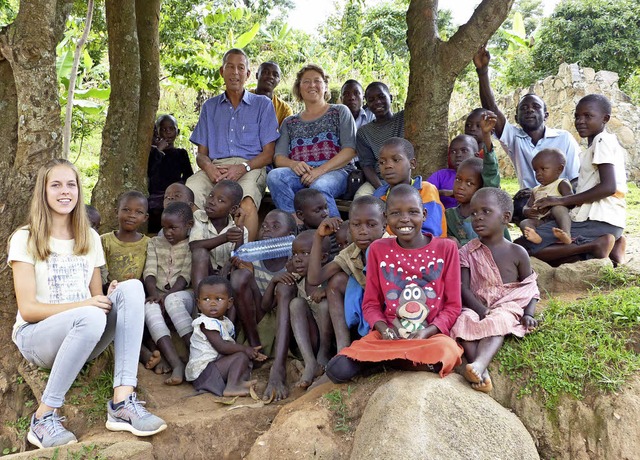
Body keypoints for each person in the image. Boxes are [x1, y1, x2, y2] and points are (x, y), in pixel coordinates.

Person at [8, 159, 166, 449]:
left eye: (71, 185)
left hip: (84, 335)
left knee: (131, 288)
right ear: (43, 192)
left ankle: (122, 402)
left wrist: (109, 294)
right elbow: (28, 309)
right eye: (56, 185)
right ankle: (44, 417)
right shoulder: (25, 238)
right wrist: (86, 305)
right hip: (37, 337)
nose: (64, 191)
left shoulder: (89, 237)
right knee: (90, 315)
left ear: (79, 191)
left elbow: (97, 299)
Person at [325, 185, 463, 383]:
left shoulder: (446, 248)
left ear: (424, 214)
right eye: (396, 213)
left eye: (413, 212)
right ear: (386, 218)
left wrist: (427, 332)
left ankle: (385, 362)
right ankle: (404, 360)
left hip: (430, 337)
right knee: (337, 369)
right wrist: (384, 330)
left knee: (446, 351)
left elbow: (452, 306)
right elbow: (371, 304)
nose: (405, 219)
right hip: (389, 337)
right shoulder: (377, 249)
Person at [516, 94, 627, 265]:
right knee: (548, 245)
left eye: (587, 116)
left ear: (605, 119)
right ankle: (608, 245)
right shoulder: (595, 145)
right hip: (602, 220)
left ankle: (595, 245)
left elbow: (609, 187)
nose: (580, 121)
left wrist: (559, 200)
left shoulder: (602, 140)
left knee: (523, 247)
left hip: (599, 220)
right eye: (577, 116)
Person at [450, 188, 539, 393]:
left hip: (506, 303)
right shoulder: (466, 252)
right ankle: (481, 371)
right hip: (476, 301)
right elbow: (462, 286)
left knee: (500, 320)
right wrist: (480, 310)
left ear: (506, 217)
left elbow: (530, 286)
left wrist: (529, 313)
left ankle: (480, 364)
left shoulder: (517, 252)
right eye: (473, 213)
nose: (478, 217)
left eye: (486, 211)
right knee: (463, 322)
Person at [188, 48, 280, 242]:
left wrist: (243, 167)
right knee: (191, 191)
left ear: (247, 74)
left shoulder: (262, 104)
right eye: (230, 67)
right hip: (216, 166)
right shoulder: (210, 107)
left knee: (246, 201)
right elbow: (201, 154)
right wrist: (209, 167)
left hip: (250, 166)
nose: (235, 72)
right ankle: (206, 251)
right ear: (222, 72)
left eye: (240, 68)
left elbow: (268, 154)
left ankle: (243, 260)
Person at [473, 45, 580, 190]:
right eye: (523, 108)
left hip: (562, 199)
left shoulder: (564, 138)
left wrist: (560, 200)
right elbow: (492, 111)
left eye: (536, 107)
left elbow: (576, 179)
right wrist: (482, 71)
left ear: (546, 115)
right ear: (517, 118)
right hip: (529, 202)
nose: (529, 110)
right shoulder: (514, 139)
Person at [266, 64, 357, 219]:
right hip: (301, 175)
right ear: (299, 88)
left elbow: (350, 150)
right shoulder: (290, 122)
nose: (312, 85)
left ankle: (334, 235)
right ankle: (295, 225)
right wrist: (293, 164)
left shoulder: (339, 111)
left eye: (317, 81)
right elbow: (278, 157)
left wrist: (319, 171)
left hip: (335, 172)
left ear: (325, 86)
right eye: (306, 81)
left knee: (319, 187)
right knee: (274, 177)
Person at [228, 209, 298, 401]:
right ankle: (254, 346)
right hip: (259, 314)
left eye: (276, 227)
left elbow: (275, 303)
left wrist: (276, 280)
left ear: (291, 235)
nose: (267, 230)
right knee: (240, 276)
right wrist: (240, 265)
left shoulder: (294, 260)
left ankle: (279, 368)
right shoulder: (253, 255)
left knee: (284, 287)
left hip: (285, 319)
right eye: (265, 226)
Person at [307, 196, 387, 352]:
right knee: (336, 281)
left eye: (371, 225)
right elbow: (314, 278)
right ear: (349, 226)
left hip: (390, 311)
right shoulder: (351, 252)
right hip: (368, 309)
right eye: (356, 225)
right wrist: (319, 237)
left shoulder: (391, 245)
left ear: (384, 224)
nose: (363, 231)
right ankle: (342, 348)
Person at [186, 276, 267, 397]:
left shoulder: (225, 322)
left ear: (229, 303)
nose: (212, 303)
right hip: (204, 374)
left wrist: (250, 353)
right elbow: (222, 347)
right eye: (206, 299)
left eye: (218, 299)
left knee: (242, 356)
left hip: (212, 371)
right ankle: (232, 387)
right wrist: (245, 349)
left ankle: (237, 382)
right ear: (198, 303)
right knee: (240, 356)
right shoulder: (205, 323)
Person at [143, 202, 195, 385]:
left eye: (173, 228)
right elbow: (149, 272)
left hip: (183, 293)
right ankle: (175, 363)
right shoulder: (154, 243)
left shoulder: (191, 245)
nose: (168, 232)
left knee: (172, 301)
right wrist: (153, 294)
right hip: (157, 292)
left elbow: (185, 276)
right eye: (164, 227)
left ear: (189, 225)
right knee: (150, 308)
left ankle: (195, 354)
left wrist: (168, 295)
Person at [373, 137, 446, 237]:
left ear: (412, 163)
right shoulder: (379, 195)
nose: (388, 166)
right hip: (388, 248)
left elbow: (431, 233)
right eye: (382, 162)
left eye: (396, 160)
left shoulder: (425, 190)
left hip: (427, 248)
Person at [289, 230, 332, 388]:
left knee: (324, 305)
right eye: (294, 254)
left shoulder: (329, 279)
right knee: (296, 304)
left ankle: (323, 355)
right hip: (311, 337)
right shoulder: (298, 279)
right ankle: (309, 362)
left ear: (322, 258)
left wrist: (326, 291)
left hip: (329, 340)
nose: (297, 259)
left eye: (305, 253)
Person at [190, 180, 248, 294]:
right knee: (200, 253)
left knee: (240, 271)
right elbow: (194, 246)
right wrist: (224, 238)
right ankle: (200, 304)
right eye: (211, 196)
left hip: (226, 278)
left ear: (232, 209)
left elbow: (239, 258)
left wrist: (239, 227)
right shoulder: (198, 216)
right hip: (204, 274)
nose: (212, 202)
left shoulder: (241, 229)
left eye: (220, 200)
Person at [356, 82, 405, 195]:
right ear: (367, 104)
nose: (377, 102)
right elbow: (367, 165)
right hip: (380, 180)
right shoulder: (364, 132)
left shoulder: (404, 118)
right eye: (371, 100)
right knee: (361, 197)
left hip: (406, 176)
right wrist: (382, 190)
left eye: (381, 97)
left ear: (391, 98)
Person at [147, 114, 194, 233]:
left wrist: (179, 186)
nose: (167, 132)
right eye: (163, 129)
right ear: (156, 132)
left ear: (177, 131)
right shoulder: (152, 153)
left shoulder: (181, 153)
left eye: (171, 129)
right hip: (155, 195)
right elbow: (150, 171)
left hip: (175, 192)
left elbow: (189, 176)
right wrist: (159, 151)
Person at [519, 148, 573, 245]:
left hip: (557, 220)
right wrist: (527, 211)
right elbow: (527, 206)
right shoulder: (535, 189)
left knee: (559, 208)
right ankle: (535, 236)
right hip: (542, 221)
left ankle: (566, 234)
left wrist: (554, 203)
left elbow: (571, 201)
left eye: (543, 169)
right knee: (524, 223)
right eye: (536, 171)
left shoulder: (561, 183)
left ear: (559, 169)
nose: (539, 174)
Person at [100, 191, 150, 289]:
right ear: (116, 212)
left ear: (145, 217)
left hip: (136, 292)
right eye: (126, 210)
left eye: (138, 212)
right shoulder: (104, 241)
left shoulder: (149, 243)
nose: (132, 215)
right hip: (108, 292)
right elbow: (100, 274)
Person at [427, 134, 480, 209]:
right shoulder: (441, 175)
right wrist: (441, 193)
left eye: (464, 150)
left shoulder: (480, 174)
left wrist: (456, 194)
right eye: (453, 151)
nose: (458, 154)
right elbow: (426, 191)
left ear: (476, 155)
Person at [293, 188, 340, 260]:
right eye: (318, 210)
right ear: (301, 215)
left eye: (326, 208)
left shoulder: (335, 231)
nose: (325, 213)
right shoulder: (297, 234)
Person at [252, 61, 293, 126]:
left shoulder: (284, 109)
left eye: (275, 75)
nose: (270, 77)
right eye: (265, 72)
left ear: (279, 81)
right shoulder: (242, 99)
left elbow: (286, 134)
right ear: (257, 75)